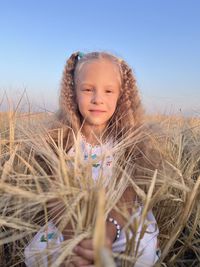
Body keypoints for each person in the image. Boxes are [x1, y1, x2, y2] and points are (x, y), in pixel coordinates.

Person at [24, 51, 160, 267]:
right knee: (38, 254)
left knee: (141, 248)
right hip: (69, 220)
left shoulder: (127, 142)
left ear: (120, 96)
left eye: (108, 91)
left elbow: (129, 194)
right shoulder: (61, 141)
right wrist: (74, 239)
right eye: (88, 89)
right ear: (73, 93)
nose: (98, 99)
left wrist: (107, 233)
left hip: (119, 220)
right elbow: (55, 196)